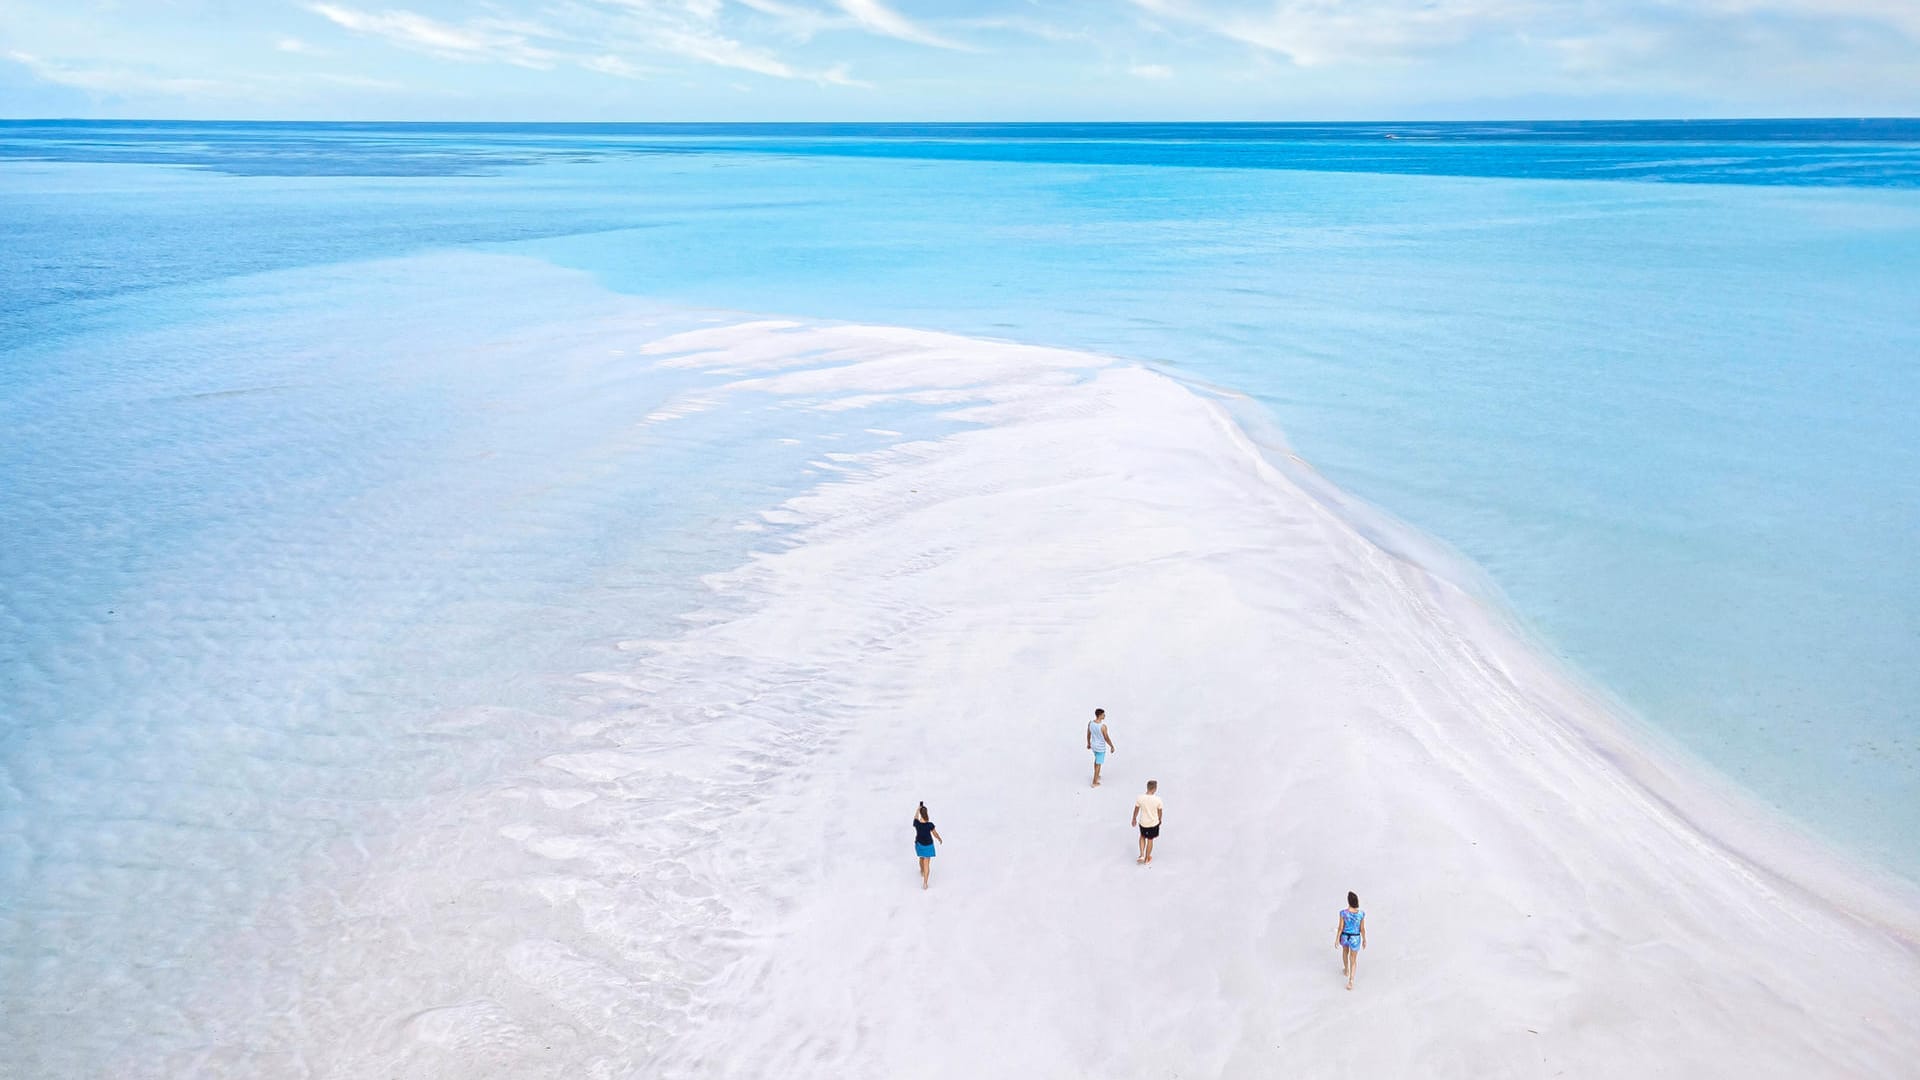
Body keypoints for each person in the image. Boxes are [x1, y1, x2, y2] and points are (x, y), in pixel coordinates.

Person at [1336, 891, 1367, 990]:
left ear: (1348, 901)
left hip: (1345, 936)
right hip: (1355, 938)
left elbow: (1341, 927)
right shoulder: (1361, 914)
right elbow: (1362, 928)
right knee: (1353, 959)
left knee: (1345, 952)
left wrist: (1337, 939)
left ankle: (1346, 969)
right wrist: (1364, 939)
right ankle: (1351, 981)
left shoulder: (1343, 913)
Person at [1130, 780, 1163, 864]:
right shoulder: (1158, 800)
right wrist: (1160, 819)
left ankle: (1141, 854)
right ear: (1155, 789)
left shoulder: (1140, 798)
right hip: (1153, 823)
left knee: (1142, 836)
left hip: (1143, 822)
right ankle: (1147, 858)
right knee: (1150, 840)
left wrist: (1134, 818)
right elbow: (1160, 811)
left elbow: (1136, 809)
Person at [912, 802, 943, 890]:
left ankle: (921, 871)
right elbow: (935, 834)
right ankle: (925, 883)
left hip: (919, 844)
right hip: (928, 846)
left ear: (921, 814)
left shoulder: (917, 823)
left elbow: (915, 817)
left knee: (921, 858)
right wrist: (939, 839)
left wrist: (918, 809)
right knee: (927, 864)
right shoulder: (930, 825)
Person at [1086, 707, 1115, 787]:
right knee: (1099, 764)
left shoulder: (1090, 723)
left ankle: (1097, 775)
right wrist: (1111, 746)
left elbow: (1088, 734)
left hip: (1093, 746)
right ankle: (1094, 782)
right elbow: (1106, 738)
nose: (1104, 715)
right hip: (1100, 747)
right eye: (1103, 714)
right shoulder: (1103, 726)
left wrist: (1088, 743)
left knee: (1096, 760)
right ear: (1099, 715)